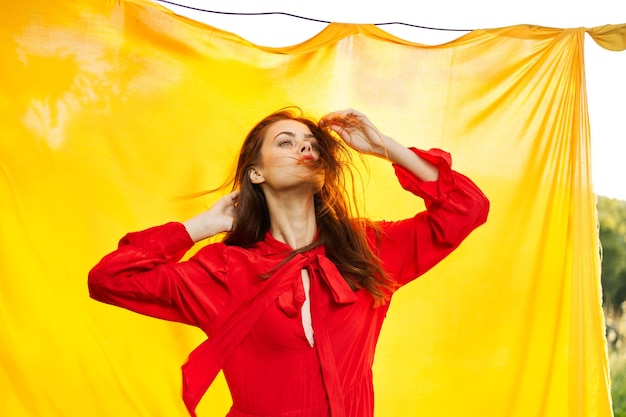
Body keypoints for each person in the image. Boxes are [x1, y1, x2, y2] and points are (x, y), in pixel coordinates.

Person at [88, 108, 489, 417]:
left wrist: (383, 146)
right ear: (256, 173)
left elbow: (466, 208)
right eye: (285, 142)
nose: (305, 147)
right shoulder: (225, 270)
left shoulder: (367, 249)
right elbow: (110, 278)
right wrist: (203, 224)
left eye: (311, 142)